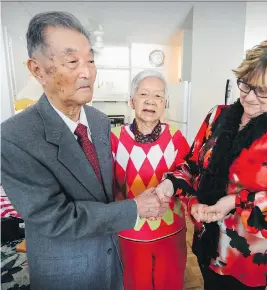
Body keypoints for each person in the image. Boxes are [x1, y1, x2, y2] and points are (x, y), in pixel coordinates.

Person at [1, 12, 166, 290]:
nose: (87, 72)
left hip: (112, 261)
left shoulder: (100, 121)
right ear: (37, 70)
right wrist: (134, 208)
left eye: (90, 60)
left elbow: (101, 190)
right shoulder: (15, 137)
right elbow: (55, 218)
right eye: (72, 61)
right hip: (67, 273)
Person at [156, 38, 267, 289]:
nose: (250, 98)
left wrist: (235, 202)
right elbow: (191, 165)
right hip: (208, 244)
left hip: (249, 258)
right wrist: (172, 183)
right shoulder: (217, 116)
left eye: (263, 91)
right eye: (245, 85)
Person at [111, 69, 190, 290]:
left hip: (170, 230)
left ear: (165, 103)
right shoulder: (114, 138)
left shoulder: (176, 137)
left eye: (158, 96)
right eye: (144, 94)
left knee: (170, 284)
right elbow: (106, 185)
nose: (151, 101)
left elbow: (188, 175)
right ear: (131, 101)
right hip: (130, 231)